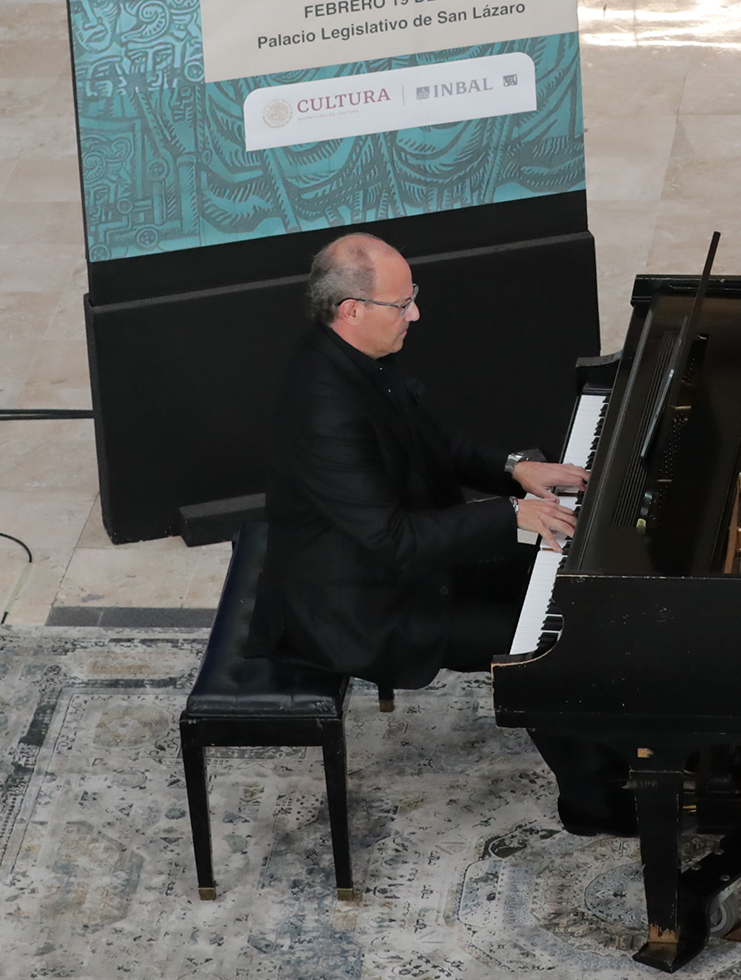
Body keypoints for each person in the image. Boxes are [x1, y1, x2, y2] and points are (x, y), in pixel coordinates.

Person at [245, 231, 635, 834]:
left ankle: (629, 737)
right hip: (363, 603)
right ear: (352, 310)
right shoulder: (324, 409)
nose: (416, 314)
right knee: (545, 647)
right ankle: (596, 804)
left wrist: (514, 470)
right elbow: (393, 540)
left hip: (411, 561)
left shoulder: (357, 357)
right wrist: (511, 514)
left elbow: (432, 443)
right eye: (402, 304)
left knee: (573, 575)